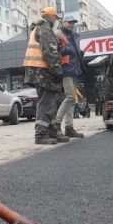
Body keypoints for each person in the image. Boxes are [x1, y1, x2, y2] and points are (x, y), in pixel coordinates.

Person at [24, 7, 68, 145]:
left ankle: (52, 132)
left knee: (51, 102)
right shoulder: (44, 29)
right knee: (46, 103)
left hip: (39, 71)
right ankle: (41, 134)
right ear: (50, 17)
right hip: (43, 72)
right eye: (55, 18)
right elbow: (49, 51)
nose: (56, 21)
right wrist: (57, 71)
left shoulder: (38, 29)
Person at [53, 16, 86, 139]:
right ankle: (56, 123)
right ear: (63, 22)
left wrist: (79, 53)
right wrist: (66, 51)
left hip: (74, 70)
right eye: (69, 22)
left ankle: (69, 127)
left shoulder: (73, 36)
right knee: (70, 97)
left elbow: (72, 52)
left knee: (73, 100)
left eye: (73, 22)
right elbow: (54, 52)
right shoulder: (58, 33)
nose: (72, 24)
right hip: (65, 70)